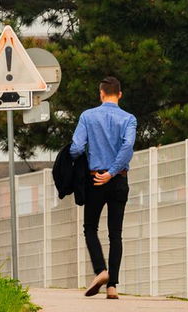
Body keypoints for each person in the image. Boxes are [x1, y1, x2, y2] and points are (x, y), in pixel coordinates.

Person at [68, 76, 137, 299]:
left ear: (100, 94)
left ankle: (101, 271)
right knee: (115, 234)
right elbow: (128, 147)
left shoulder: (88, 116)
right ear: (120, 94)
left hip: (95, 179)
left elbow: (77, 148)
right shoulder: (129, 119)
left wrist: (99, 170)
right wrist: (113, 172)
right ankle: (112, 287)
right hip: (118, 179)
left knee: (90, 228)